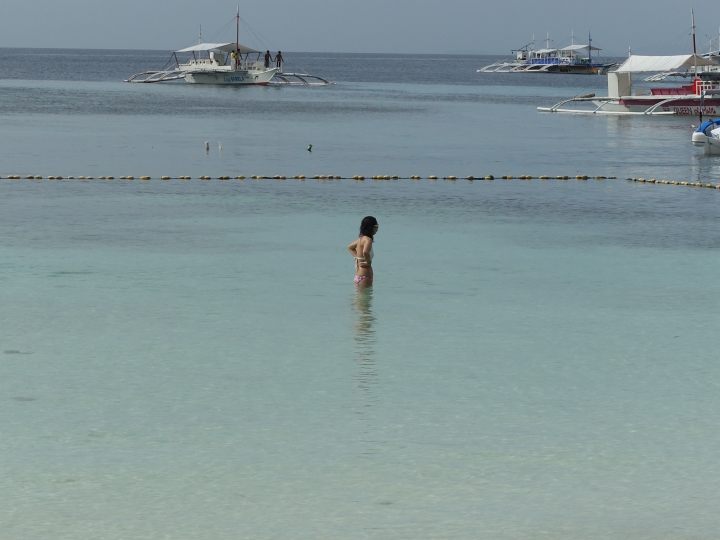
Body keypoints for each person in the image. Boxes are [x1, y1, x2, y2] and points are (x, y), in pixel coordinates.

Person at [347, 216, 378, 287]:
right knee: (366, 298)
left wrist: (359, 258)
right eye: (376, 226)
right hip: (365, 277)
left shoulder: (361, 239)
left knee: (360, 298)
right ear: (372, 227)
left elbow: (350, 247)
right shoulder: (368, 240)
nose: (377, 229)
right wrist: (368, 262)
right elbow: (365, 252)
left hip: (359, 276)